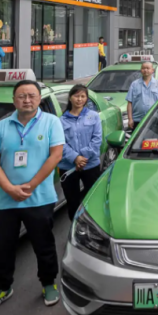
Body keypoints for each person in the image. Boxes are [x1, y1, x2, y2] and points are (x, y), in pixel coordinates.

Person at [0, 80, 65, 313]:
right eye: (21, 96)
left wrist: (30, 185)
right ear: (14, 100)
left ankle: (48, 283)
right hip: (4, 200)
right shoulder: (1, 126)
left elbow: (55, 156)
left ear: (39, 98)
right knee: (4, 246)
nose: (26, 100)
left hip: (39, 197)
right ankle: (3, 287)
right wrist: (9, 188)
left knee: (43, 244)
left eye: (31, 95)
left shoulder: (51, 122)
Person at [59, 85, 103, 221]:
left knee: (94, 200)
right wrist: (75, 158)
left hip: (90, 165)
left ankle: (94, 228)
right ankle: (76, 230)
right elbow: (60, 143)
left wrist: (82, 158)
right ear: (70, 98)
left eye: (82, 96)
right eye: (76, 96)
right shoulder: (61, 120)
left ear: (86, 99)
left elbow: (97, 140)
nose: (79, 99)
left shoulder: (93, 116)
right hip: (68, 167)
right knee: (72, 202)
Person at [125, 61, 158, 130]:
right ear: (141, 70)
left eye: (148, 68)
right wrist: (130, 119)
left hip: (154, 120)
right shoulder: (134, 84)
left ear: (152, 70)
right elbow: (130, 103)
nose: (145, 70)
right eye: (143, 68)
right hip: (137, 120)